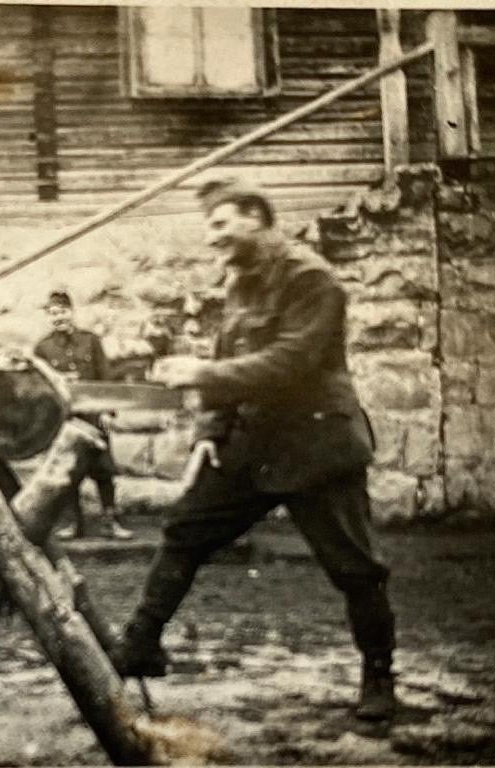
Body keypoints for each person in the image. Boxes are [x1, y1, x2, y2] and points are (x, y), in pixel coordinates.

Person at [111, 177, 398, 722]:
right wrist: (209, 436)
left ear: (255, 217)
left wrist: (203, 372)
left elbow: (293, 361)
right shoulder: (239, 282)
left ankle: (379, 676)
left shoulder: (313, 280)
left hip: (317, 446)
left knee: (356, 569)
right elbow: (230, 359)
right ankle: (141, 644)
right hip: (253, 445)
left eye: (220, 224)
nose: (212, 237)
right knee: (183, 530)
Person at [33, 290, 133, 541]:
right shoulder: (42, 348)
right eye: (53, 314)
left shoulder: (90, 341)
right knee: (68, 471)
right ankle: (74, 523)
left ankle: (110, 520)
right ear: (48, 317)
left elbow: (106, 377)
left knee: (104, 469)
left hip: (92, 417)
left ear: (71, 312)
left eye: (63, 312)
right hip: (64, 419)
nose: (58, 318)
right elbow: (38, 386)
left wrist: (108, 412)